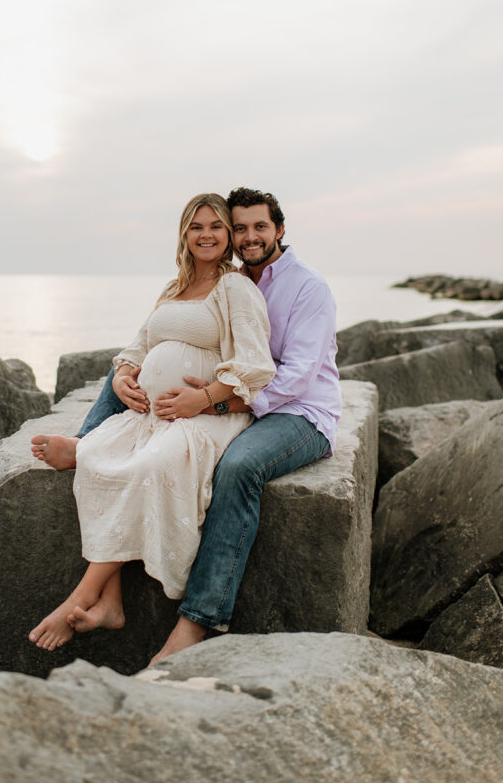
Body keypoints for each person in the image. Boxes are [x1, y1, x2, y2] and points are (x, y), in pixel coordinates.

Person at [31, 187, 341, 662]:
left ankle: (195, 622)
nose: (246, 236)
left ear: (280, 230)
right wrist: (125, 375)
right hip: (211, 404)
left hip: (299, 412)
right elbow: (145, 342)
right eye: (238, 227)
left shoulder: (303, 287)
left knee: (236, 469)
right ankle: (85, 446)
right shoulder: (221, 279)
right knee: (110, 421)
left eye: (256, 227)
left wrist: (214, 403)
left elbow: (291, 378)